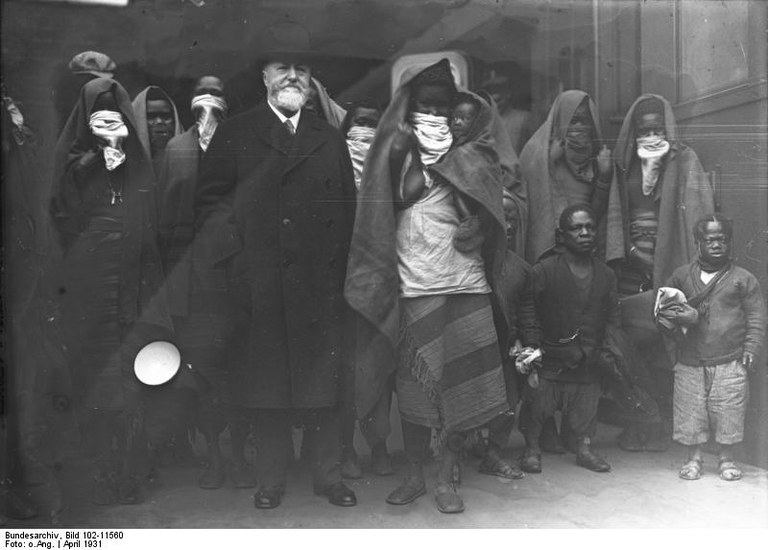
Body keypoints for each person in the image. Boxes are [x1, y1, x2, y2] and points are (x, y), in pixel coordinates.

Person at [194, 23, 358, 509]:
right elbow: (210, 207)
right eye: (283, 68)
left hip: (320, 285)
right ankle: (272, 478)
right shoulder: (236, 131)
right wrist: (239, 267)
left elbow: (346, 209)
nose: (293, 76)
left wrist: (341, 275)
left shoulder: (328, 137)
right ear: (265, 75)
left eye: (301, 69)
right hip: (260, 285)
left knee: (324, 385)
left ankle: (327, 476)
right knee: (267, 384)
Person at [345, 59, 511, 514]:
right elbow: (381, 208)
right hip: (413, 282)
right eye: (425, 105)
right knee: (416, 388)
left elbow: (495, 209)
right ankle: (415, 474)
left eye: (443, 106)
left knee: (458, 387)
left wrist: (478, 221)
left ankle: (446, 476)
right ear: (409, 106)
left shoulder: (472, 151)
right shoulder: (395, 149)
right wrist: (411, 151)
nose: (434, 114)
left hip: (464, 284)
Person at [48, 78, 173, 506]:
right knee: (95, 374)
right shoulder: (72, 163)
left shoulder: (136, 160)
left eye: (115, 114)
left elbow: (148, 213)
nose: (108, 121)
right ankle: (99, 473)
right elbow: (63, 214)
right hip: (89, 279)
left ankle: (131, 474)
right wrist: (95, 158)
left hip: (133, 275)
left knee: (131, 374)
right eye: (98, 114)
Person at [605, 94, 715, 452]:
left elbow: (699, 214)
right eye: (643, 129)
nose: (651, 136)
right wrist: (632, 253)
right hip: (631, 267)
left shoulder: (684, 161)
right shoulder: (624, 166)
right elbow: (614, 217)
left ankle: (664, 426)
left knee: (666, 345)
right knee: (629, 345)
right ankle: (638, 422)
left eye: (657, 128)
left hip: (669, 264)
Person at [156, 75, 235, 489]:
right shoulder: (176, 148)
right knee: (201, 369)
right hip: (188, 281)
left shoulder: (239, 142)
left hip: (231, 275)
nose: (209, 101)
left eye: (217, 94)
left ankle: (238, 454)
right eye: (203, 94)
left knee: (233, 367)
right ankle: (215, 457)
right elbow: (166, 216)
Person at [661, 215, 765, 482]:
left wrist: (751, 347)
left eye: (722, 239)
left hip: (730, 359)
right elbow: (663, 311)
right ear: (698, 243)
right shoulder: (681, 276)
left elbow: (756, 317)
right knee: (690, 410)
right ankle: (693, 458)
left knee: (728, 409)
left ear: (729, 243)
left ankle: (726, 458)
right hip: (690, 359)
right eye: (710, 240)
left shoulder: (744, 279)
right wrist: (680, 321)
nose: (717, 244)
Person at [519, 204, 618, 474]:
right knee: (538, 404)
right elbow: (528, 310)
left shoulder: (606, 275)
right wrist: (532, 346)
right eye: (576, 228)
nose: (584, 233)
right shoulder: (544, 271)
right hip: (550, 358)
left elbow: (612, 318)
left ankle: (584, 448)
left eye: (589, 227)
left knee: (586, 405)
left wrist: (605, 350)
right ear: (561, 236)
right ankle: (531, 448)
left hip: (587, 358)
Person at [337, 98, 392, 480]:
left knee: (378, 366)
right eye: (358, 123)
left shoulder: (389, 169)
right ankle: (344, 449)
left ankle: (379, 446)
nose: (364, 133)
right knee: (343, 369)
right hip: (340, 285)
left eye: (373, 124)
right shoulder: (333, 169)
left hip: (379, 281)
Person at [520, 90, 613, 266]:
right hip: (550, 249)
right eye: (573, 120)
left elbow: (596, 212)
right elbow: (529, 204)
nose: (578, 127)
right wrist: (547, 164)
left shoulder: (596, 158)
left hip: (583, 247)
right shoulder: (537, 151)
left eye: (584, 121)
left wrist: (604, 176)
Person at [131, 86, 183, 175]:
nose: (159, 122)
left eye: (165, 116)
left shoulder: (189, 153)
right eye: (151, 116)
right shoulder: (125, 158)